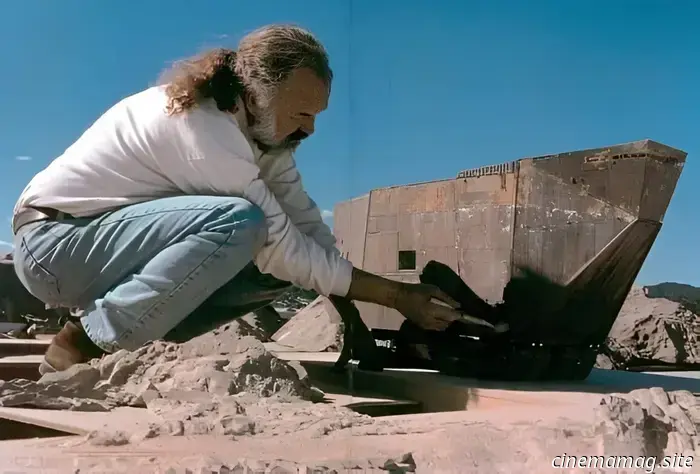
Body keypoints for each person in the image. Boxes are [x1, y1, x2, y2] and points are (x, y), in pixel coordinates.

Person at [11, 24, 461, 374]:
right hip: (55, 245)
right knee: (240, 223)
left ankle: (143, 336)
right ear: (261, 92)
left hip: (100, 249)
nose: (310, 128)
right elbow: (279, 243)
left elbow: (304, 227)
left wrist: (349, 309)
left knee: (281, 271)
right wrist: (396, 295)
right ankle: (81, 344)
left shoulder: (263, 140)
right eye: (301, 112)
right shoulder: (200, 125)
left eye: (316, 115)